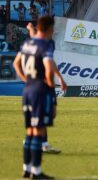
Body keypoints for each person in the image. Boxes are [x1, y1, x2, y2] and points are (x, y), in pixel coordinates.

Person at [13, 16, 57, 179]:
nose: (53, 31)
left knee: (30, 131)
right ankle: (37, 172)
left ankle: (27, 168)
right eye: (52, 28)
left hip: (28, 90)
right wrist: (50, 89)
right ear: (48, 28)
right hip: (40, 91)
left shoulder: (27, 43)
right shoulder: (45, 45)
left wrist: (26, 80)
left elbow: (16, 63)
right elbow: (48, 69)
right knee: (38, 131)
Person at [26, 22, 66, 155]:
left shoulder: (50, 43)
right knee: (43, 113)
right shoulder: (38, 42)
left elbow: (50, 61)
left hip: (49, 83)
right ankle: (41, 143)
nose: (53, 30)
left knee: (52, 113)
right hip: (41, 84)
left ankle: (35, 139)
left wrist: (59, 77)